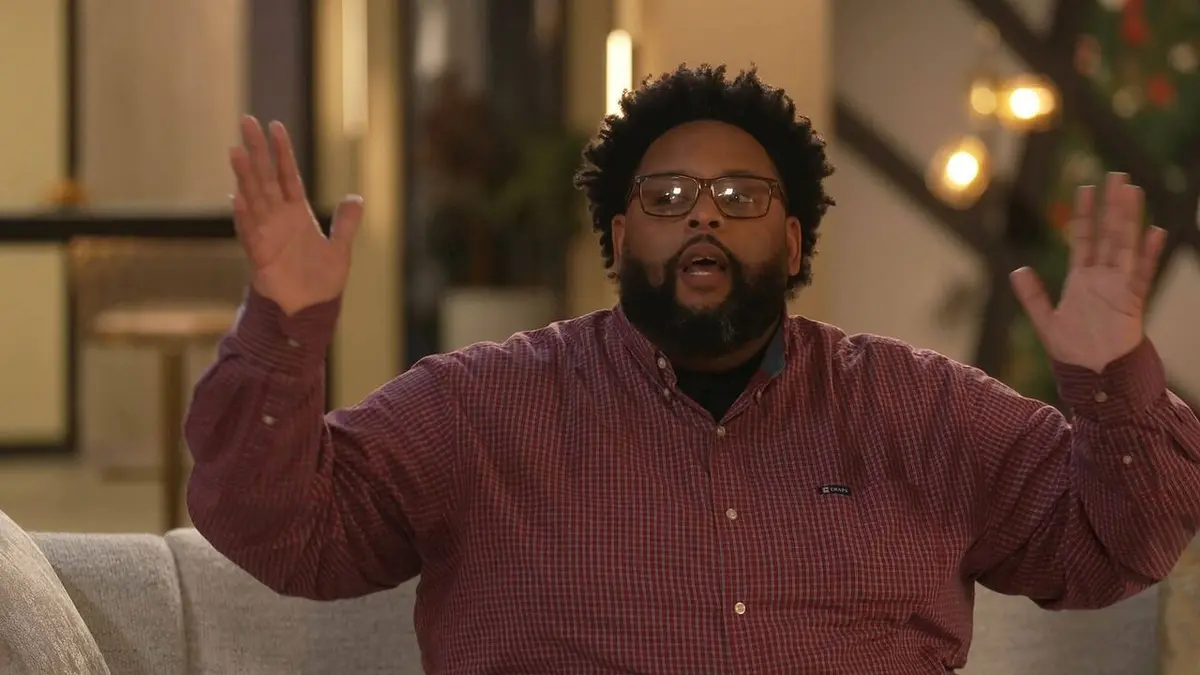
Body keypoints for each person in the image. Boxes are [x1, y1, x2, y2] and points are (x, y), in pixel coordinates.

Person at [185, 64, 1200, 674]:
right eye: (666, 197)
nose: (703, 214)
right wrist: (286, 327)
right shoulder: (476, 407)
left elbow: (1121, 547)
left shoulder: (923, 409)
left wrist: (1113, 377)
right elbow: (286, 533)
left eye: (740, 195)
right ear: (618, 237)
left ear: (794, 242)